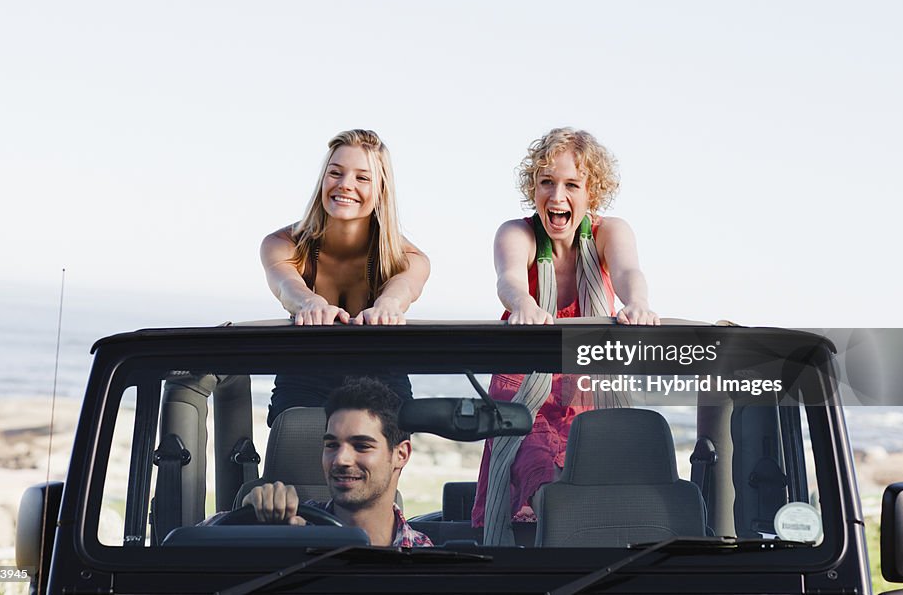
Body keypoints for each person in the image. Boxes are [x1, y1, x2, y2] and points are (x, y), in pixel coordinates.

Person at [472, 127, 659, 542]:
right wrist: (523, 304)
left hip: (588, 386)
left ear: (593, 192)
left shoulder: (611, 231)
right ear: (533, 187)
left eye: (571, 184)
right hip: (524, 383)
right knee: (535, 465)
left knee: (595, 475)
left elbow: (629, 272)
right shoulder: (516, 231)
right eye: (546, 183)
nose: (557, 197)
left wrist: (637, 303)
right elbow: (510, 279)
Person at [261, 130, 430, 422]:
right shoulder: (281, 244)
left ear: (381, 189)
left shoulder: (409, 259)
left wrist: (388, 305)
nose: (345, 185)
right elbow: (286, 286)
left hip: (382, 379)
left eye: (362, 178)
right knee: (293, 459)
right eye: (335, 173)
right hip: (304, 376)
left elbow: (403, 288)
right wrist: (309, 303)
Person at [206, 377, 431, 548]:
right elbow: (187, 544)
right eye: (331, 445)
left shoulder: (427, 558)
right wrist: (247, 523)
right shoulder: (287, 527)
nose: (341, 460)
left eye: (362, 446)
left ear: (401, 455)